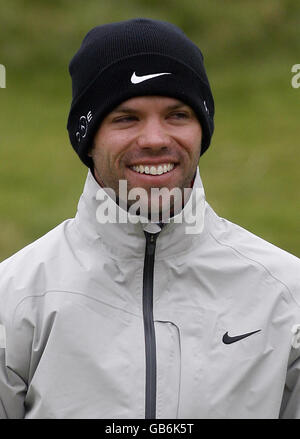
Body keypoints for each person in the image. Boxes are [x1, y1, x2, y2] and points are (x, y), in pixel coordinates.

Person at [0, 18, 299, 420]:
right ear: (88, 139)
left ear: (202, 130)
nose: (156, 139)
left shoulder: (286, 295)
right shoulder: (15, 299)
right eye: (126, 118)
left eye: (177, 115)